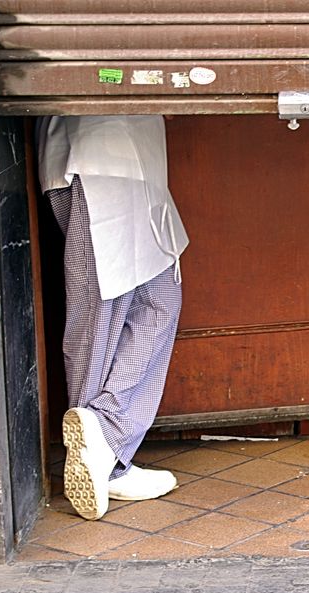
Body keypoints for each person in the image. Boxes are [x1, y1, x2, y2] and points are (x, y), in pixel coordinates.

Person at [37, 115, 189, 519]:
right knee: (99, 317)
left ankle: (106, 439)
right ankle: (102, 458)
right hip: (97, 158)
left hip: (130, 158)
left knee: (159, 301)